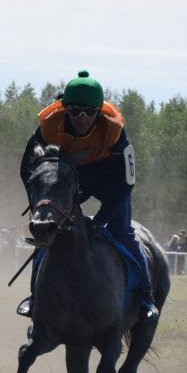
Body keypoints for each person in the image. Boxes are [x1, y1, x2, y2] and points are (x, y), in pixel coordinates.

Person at [17, 70, 157, 320]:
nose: (82, 118)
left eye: (90, 112)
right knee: (47, 232)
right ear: (64, 108)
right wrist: (40, 207)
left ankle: (146, 297)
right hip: (71, 181)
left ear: (100, 111)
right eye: (75, 110)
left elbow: (126, 183)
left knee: (123, 233)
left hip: (111, 182)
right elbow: (26, 170)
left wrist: (102, 220)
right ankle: (36, 298)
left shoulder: (115, 130)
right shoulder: (49, 125)